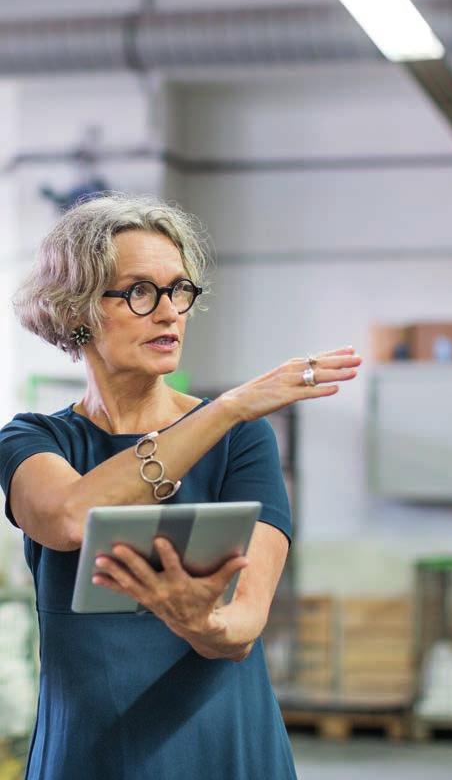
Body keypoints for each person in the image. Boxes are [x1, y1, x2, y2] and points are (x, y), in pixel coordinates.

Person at [0, 194, 362, 780]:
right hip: (89, 755)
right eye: (139, 291)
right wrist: (227, 408)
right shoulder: (34, 440)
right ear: (78, 311)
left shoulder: (244, 442)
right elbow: (69, 519)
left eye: (180, 291)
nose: (169, 312)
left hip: (224, 747)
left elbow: (243, 626)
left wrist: (203, 623)